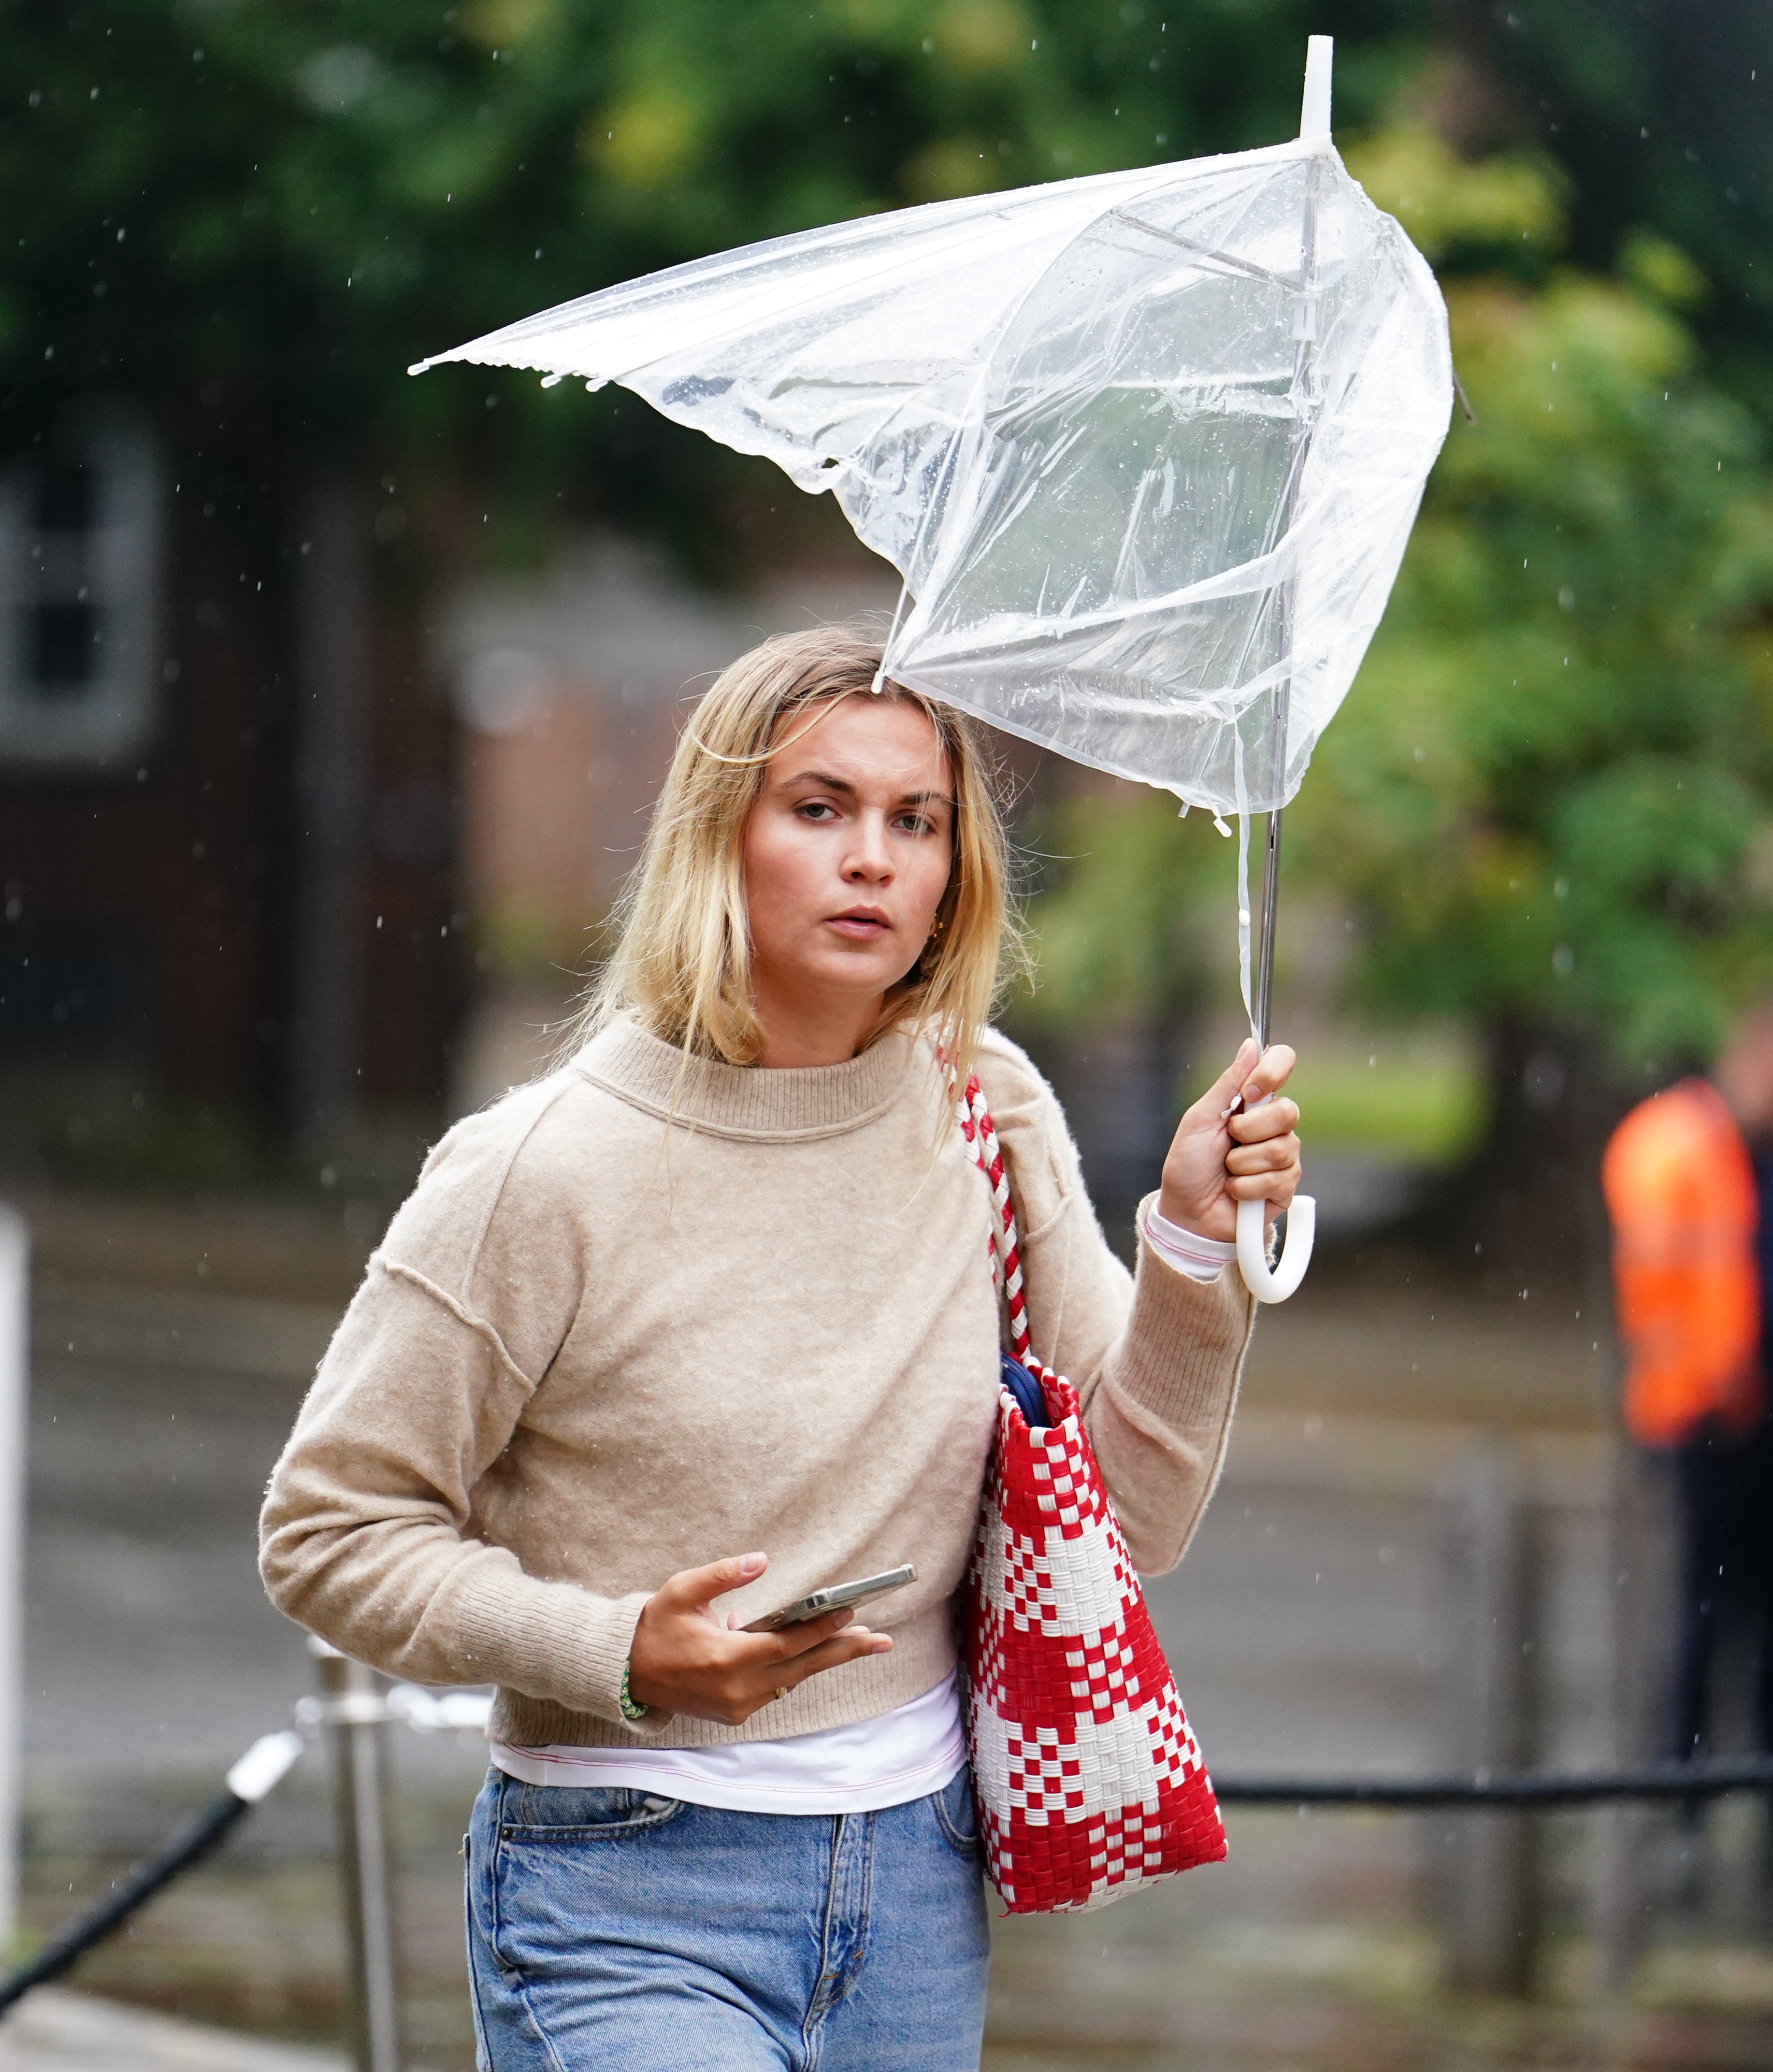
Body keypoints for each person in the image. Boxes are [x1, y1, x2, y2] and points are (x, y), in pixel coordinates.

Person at [257, 624, 1301, 2069]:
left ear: (954, 876)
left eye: (915, 821)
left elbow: (1133, 1524)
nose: (872, 856)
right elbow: (329, 1529)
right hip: (624, 1890)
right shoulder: (542, 1170)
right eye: (820, 809)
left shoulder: (985, 1112)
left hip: (922, 1886)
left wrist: (1193, 1249)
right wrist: (621, 1650)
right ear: (719, 837)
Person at [1602, 984, 1773, 1881]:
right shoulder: (1673, 1145)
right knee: (1702, 1614)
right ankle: (1682, 1804)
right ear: (1764, 1040)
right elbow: (1656, 1283)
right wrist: (1701, 1378)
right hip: (1710, 1420)